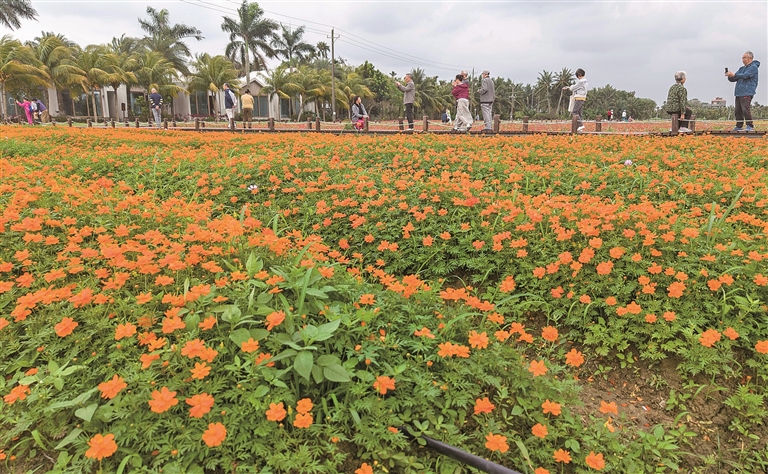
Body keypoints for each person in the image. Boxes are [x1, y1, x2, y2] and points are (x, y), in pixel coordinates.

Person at [726, 51, 760, 131]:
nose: (743, 59)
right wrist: (730, 76)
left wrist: (734, 75)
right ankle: (739, 126)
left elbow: (745, 76)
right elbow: (735, 78)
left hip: (747, 91)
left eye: (744, 58)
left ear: (750, 58)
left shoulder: (753, 67)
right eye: (742, 58)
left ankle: (750, 126)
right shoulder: (742, 68)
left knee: (745, 109)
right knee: (737, 110)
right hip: (738, 92)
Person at [563, 68, 587, 132]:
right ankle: (579, 128)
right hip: (583, 98)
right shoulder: (585, 81)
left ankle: (580, 125)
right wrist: (569, 87)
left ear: (579, 75)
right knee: (579, 113)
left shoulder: (581, 82)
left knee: (574, 112)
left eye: (577, 76)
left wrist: (569, 88)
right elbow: (576, 87)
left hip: (579, 98)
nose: (578, 78)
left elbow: (573, 88)